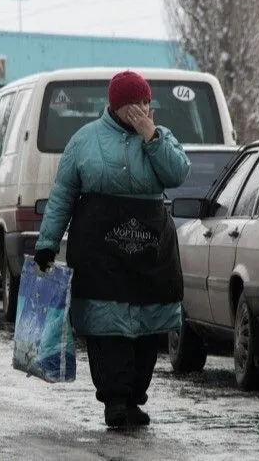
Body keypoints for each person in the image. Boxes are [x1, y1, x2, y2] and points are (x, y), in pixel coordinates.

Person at [34, 71, 191, 428]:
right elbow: (62, 195)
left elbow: (178, 174)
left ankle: (135, 398)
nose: (141, 110)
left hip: (151, 248)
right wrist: (47, 243)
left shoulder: (160, 138)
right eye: (133, 105)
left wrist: (151, 137)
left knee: (150, 325)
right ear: (115, 106)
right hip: (100, 251)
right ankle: (115, 401)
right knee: (108, 325)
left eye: (146, 104)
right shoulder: (84, 140)